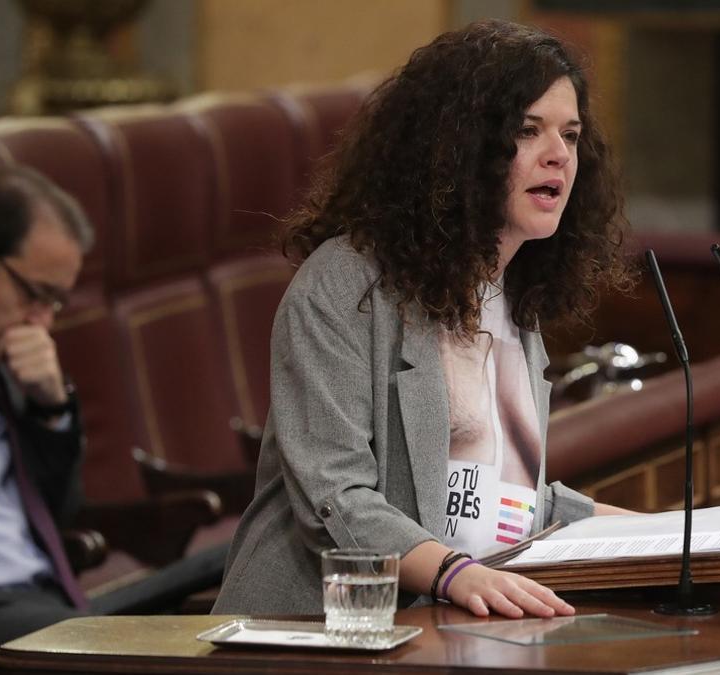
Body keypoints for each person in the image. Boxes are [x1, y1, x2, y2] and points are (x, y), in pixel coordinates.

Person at [213, 19, 635, 619]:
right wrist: (454, 574)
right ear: (459, 147)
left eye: (570, 135)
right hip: (317, 629)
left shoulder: (512, 298)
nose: (558, 156)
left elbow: (500, 498)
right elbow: (334, 494)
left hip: (453, 621)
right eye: (527, 130)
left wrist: (672, 536)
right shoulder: (346, 285)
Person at [0, 165, 92, 662]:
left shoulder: (3, 367)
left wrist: (51, 406)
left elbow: (59, 513)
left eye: (55, 303)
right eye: (33, 295)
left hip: (44, 594)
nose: (41, 322)